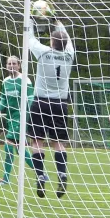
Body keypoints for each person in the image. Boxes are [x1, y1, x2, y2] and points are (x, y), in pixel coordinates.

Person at [26, 17, 75, 199]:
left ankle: (40, 175)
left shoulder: (44, 52)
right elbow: (68, 39)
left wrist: (30, 19)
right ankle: (61, 174)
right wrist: (57, 21)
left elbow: (30, 39)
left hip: (40, 102)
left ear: (52, 42)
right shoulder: (69, 54)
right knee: (58, 143)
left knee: (37, 142)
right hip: (60, 104)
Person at [0, 56, 35, 185]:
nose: (11, 65)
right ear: (6, 65)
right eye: (9, 63)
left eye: (14, 63)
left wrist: (27, 116)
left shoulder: (25, 80)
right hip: (10, 118)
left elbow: (31, 98)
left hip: (21, 117)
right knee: (19, 149)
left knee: (8, 145)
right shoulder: (6, 81)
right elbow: (3, 99)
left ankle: (5, 179)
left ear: (19, 66)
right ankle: (41, 173)